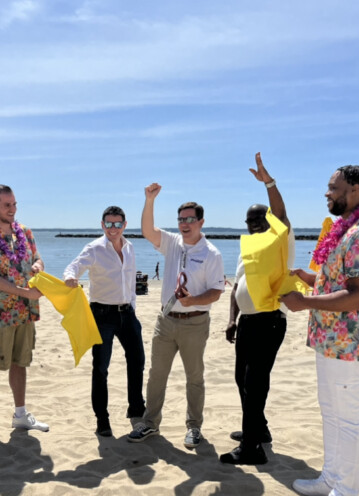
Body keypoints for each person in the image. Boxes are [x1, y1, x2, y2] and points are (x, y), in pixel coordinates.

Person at [281, 165, 359, 496]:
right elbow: (338, 281)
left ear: (357, 189)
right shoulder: (345, 229)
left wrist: (307, 302)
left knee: (349, 419)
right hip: (333, 340)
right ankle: (331, 478)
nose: (327, 194)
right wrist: (309, 278)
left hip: (353, 342)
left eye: (334, 188)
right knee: (331, 410)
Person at [128, 183, 225, 449]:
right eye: (181, 219)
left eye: (190, 219)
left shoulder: (211, 253)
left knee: (194, 377)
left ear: (201, 222)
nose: (184, 224)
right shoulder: (172, 243)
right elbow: (147, 231)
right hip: (166, 320)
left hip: (195, 323)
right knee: (156, 374)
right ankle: (150, 423)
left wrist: (193, 300)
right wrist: (149, 200)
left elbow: (217, 291)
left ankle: (194, 428)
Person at [220, 152, 294, 466]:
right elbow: (237, 288)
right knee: (242, 379)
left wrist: (269, 183)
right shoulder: (247, 250)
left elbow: (280, 211)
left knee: (255, 382)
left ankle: (252, 449)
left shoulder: (280, 240)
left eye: (258, 220)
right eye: (249, 222)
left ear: (269, 222)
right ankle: (258, 429)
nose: (253, 225)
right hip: (247, 322)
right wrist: (232, 320)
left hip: (269, 321)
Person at [0, 184, 49, 443]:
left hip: (25, 314)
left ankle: (20, 414)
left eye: (14, 204)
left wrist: (37, 265)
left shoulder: (25, 232)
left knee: (21, 362)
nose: (13, 209)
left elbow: (37, 259)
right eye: (7, 205)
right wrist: (25, 292)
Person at [63, 206, 146, 437]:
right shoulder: (95, 248)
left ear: (124, 225)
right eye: (109, 224)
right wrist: (70, 277)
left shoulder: (130, 248)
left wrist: (133, 308)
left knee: (137, 361)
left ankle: (136, 409)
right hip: (102, 315)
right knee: (101, 368)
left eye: (117, 224)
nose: (113, 228)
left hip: (127, 313)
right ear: (102, 225)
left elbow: (130, 282)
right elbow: (74, 266)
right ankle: (102, 419)